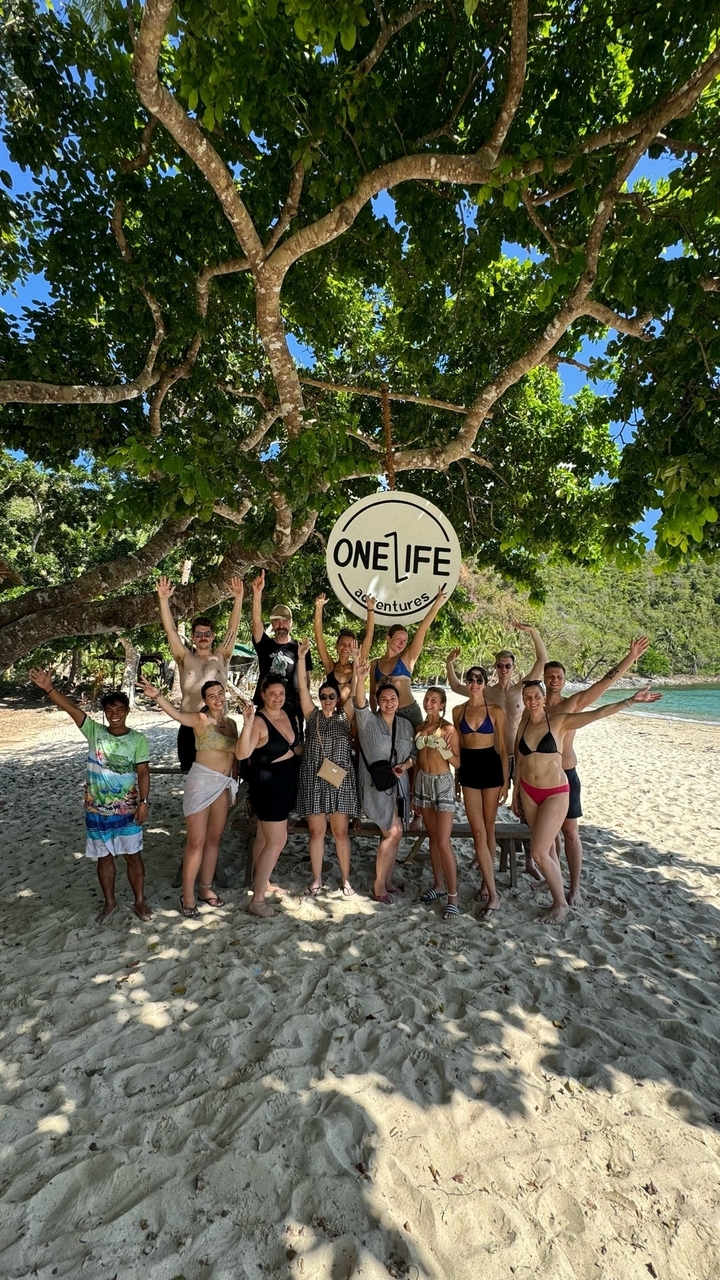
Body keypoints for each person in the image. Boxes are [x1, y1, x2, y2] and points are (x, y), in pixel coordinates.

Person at [513, 679, 662, 925]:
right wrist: (516, 792)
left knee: (538, 852)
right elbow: (520, 760)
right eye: (527, 697)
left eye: (536, 696)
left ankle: (560, 905)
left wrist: (630, 701)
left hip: (555, 792)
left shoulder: (559, 721)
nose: (532, 700)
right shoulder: (523, 723)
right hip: (529, 792)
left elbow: (597, 713)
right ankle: (556, 892)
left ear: (543, 697)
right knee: (547, 848)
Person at [28, 670, 151, 923]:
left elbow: (143, 772)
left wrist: (143, 803)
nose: (114, 715)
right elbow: (70, 708)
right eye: (109, 710)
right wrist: (48, 688)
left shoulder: (138, 739)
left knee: (133, 857)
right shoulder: (95, 732)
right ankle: (110, 903)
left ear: (127, 711)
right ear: (104, 713)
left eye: (119, 709)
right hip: (96, 811)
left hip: (127, 811)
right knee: (103, 858)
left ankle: (139, 901)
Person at [542, 636, 650, 905]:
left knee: (569, 832)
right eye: (550, 675)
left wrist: (631, 656)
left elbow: (605, 682)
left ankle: (575, 887)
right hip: (541, 779)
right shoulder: (535, 706)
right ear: (544, 679)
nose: (554, 679)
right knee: (547, 836)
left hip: (566, 775)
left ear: (564, 680)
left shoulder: (573, 704)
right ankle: (553, 880)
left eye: (559, 676)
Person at [138, 675, 238, 917]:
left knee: (214, 840)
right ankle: (188, 894)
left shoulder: (232, 723)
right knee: (196, 841)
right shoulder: (200, 719)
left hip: (223, 785)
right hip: (201, 782)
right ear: (205, 699)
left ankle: (205, 888)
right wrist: (158, 696)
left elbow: (236, 756)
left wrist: (234, 782)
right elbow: (177, 715)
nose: (217, 698)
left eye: (220, 694)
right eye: (211, 695)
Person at [157, 574, 244, 773]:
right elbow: (170, 630)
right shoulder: (184, 658)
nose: (203, 637)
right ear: (193, 637)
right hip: (189, 727)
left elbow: (233, 628)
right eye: (198, 634)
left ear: (213, 636)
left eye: (207, 634)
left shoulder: (222, 656)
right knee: (192, 778)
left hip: (218, 726)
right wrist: (163, 600)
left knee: (222, 775)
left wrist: (238, 599)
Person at [236, 674, 303, 919]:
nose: (277, 698)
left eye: (281, 694)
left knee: (264, 839)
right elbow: (242, 753)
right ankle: (257, 900)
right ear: (263, 694)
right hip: (268, 785)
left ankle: (262, 884)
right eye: (272, 694)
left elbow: (296, 747)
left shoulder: (287, 714)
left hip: (285, 783)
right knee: (277, 841)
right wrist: (248, 724)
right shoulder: (260, 721)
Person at [295, 639, 358, 896]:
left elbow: (355, 693)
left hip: (340, 778)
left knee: (341, 832)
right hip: (313, 778)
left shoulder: (345, 716)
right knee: (316, 831)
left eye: (331, 696)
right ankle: (317, 878)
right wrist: (301, 659)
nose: (328, 699)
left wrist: (357, 663)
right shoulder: (313, 716)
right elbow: (302, 689)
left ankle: (345, 880)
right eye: (323, 696)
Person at [353, 659, 417, 903]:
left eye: (393, 699)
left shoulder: (406, 725)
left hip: (399, 785)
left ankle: (387, 880)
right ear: (377, 702)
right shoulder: (368, 722)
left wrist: (406, 766)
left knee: (396, 833)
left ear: (398, 701)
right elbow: (359, 704)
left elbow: (414, 754)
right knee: (392, 832)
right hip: (375, 786)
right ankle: (378, 885)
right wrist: (360, 678)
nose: (389, 703)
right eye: (384, 699)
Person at [451, 665, 508, 917]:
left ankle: (488, 884)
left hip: (491, 767)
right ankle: (490, 887)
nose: (474, 683)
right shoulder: (457, 711)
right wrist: (456, 779)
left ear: (485, 683)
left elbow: (504, 749)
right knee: (477, 832)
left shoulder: (495, 710)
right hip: (469, 770)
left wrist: (506, 782)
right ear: (466, 683)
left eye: (478, 679)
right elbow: (458, 748)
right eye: (470, 679)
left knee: (489, 827)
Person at [370, 586, 448, 728]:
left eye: (405, 640)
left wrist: (436, 605)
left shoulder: (407, 658)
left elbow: (422, 629)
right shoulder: (375, 664)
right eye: (398, 639)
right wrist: (375, 715)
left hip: (408, 712)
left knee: (416, 749)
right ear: (388, 638)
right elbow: (373, 695)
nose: (402, 643)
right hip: (386, 713)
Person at [414, 687, 461, 921]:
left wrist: (444, 749)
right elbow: (416, 760)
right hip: (423, 782)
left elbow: (458, 762)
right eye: (427, 699)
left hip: (442, 783)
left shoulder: (448, 729)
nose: (429, 703)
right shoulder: (420, 729)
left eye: (434, 700)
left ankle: (453, 898)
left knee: (443, 842)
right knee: (432, 838)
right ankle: (439, 885)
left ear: (442, 705)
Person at [250, 569, 312, 721]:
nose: (281, 624)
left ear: (291, 623)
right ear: (272, 624)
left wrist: (305, 708)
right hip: (266, 707)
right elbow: (256, 622)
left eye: (284, 620)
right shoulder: (264, 645)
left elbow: (307, 681)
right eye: (277, 621)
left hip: (293, 708)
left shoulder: (301, 648)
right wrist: (257, 594)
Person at [313, 592, 376, 709]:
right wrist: (319, 608)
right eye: (342, 644)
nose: (346, 647)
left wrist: (370, 609)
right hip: (336, 718)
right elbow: (318, 637)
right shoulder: (330, 666)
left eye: (350, 644)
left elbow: (369, 636)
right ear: (337, 646)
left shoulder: (357, 665)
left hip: (356, 719)